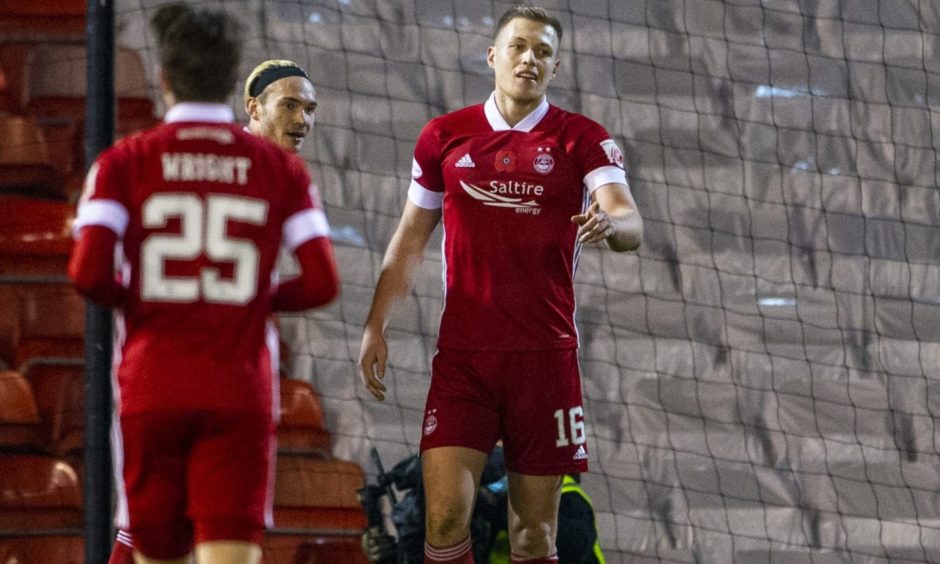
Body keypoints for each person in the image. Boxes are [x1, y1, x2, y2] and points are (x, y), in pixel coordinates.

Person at [358, 3, 641, 563]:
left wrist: (612, 224)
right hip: (464, 360)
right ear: (493, 55)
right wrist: (375, 326)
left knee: (533, 535)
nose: (529, 59)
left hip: (545, 361)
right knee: (441, 522)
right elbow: (410, 240)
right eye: (518, 46)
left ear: (555, 68)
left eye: (543, 52)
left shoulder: (581, 138)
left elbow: (630, 221)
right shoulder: (444, 135)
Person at [69, 4, 339, 564]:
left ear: (164, 78)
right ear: (234, 85)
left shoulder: (122, 162)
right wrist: (244, 301)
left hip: (153, 385)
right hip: (236, 390)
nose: (303, 119)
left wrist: (151, 298)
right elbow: (321, 283)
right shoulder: (280, 170)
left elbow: (88, 275)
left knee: (146, 546)